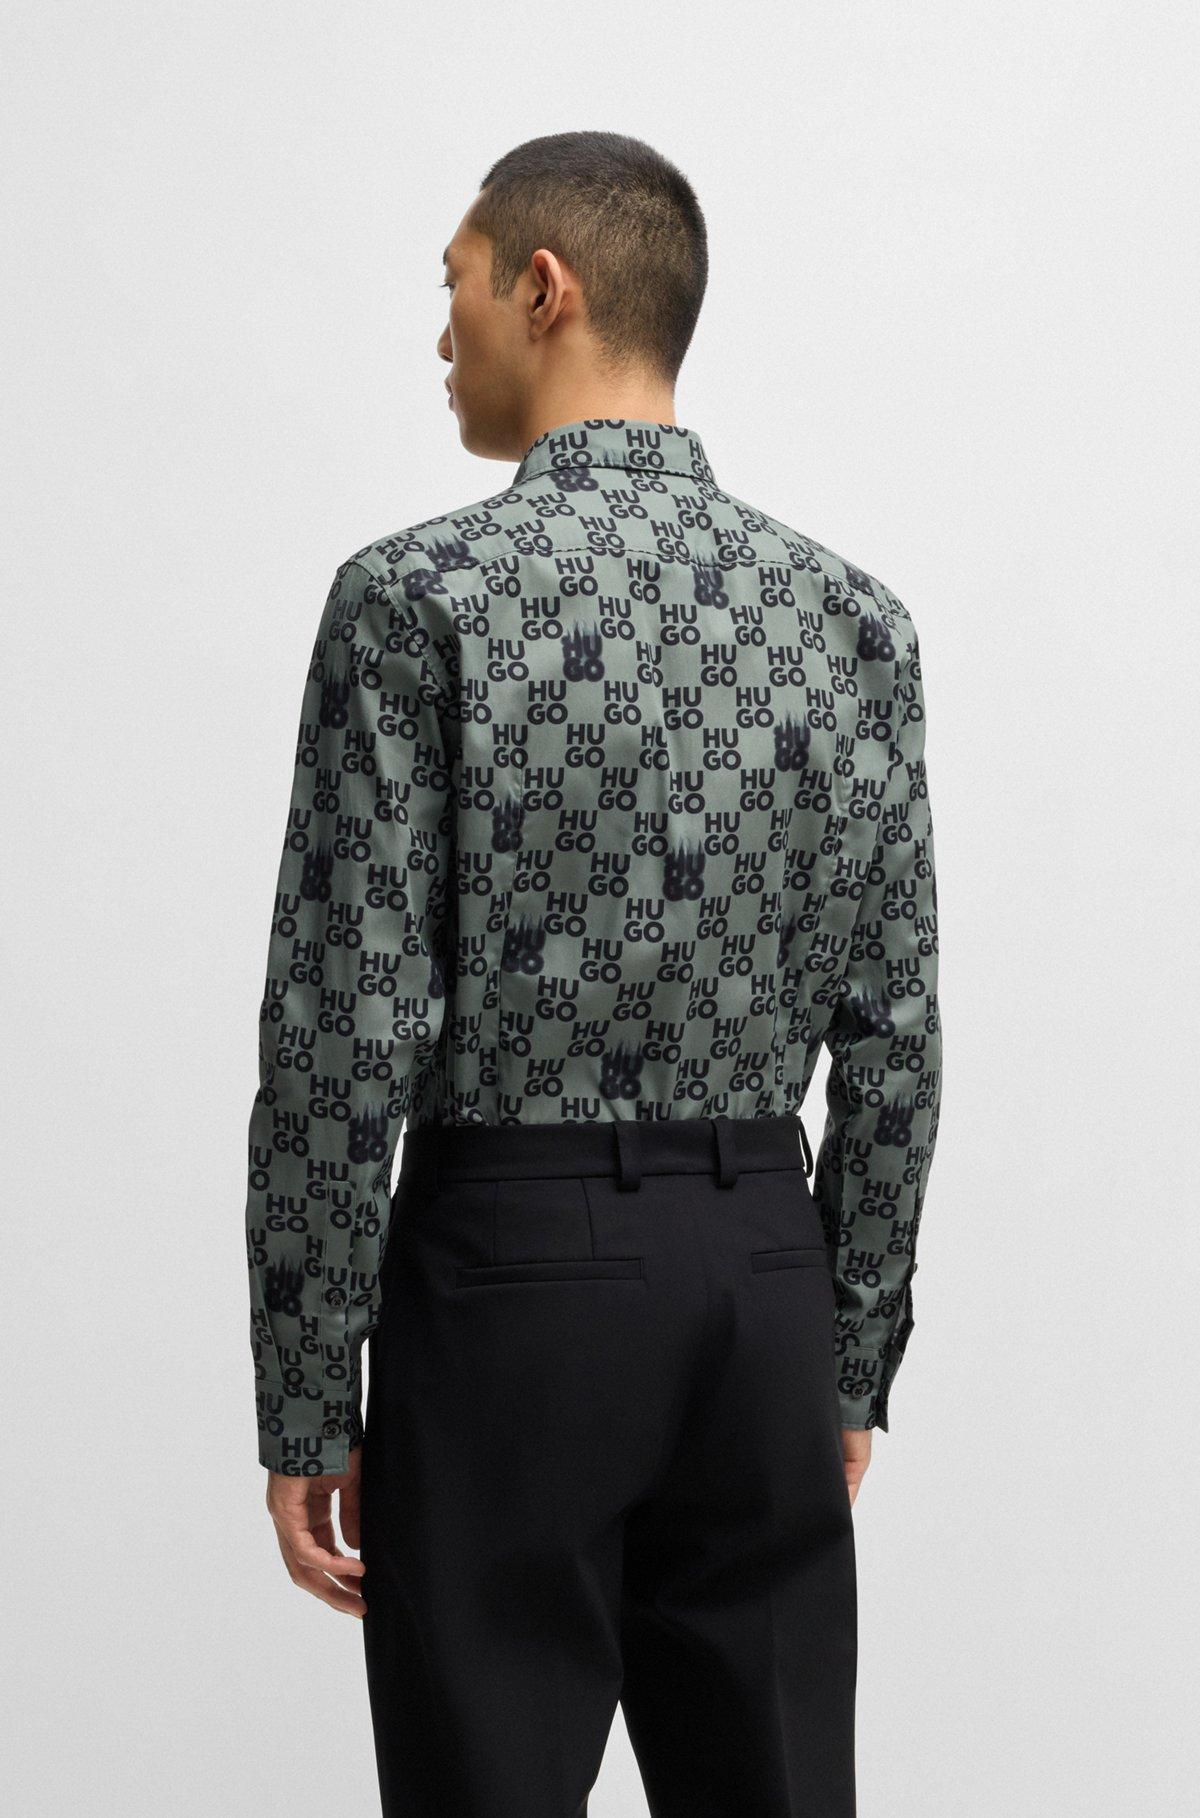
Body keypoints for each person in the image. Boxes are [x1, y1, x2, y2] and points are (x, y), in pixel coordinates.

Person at [244, 129, 943, 1818]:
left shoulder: (416, 603)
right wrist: (847, 1351)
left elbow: (344, 1030)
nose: (443, 336)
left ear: (542, 288)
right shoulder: (851, 620)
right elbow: (897, 1035)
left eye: (458, 288)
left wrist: (307, 1392)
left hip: (511, 1284)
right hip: (758, 1271)